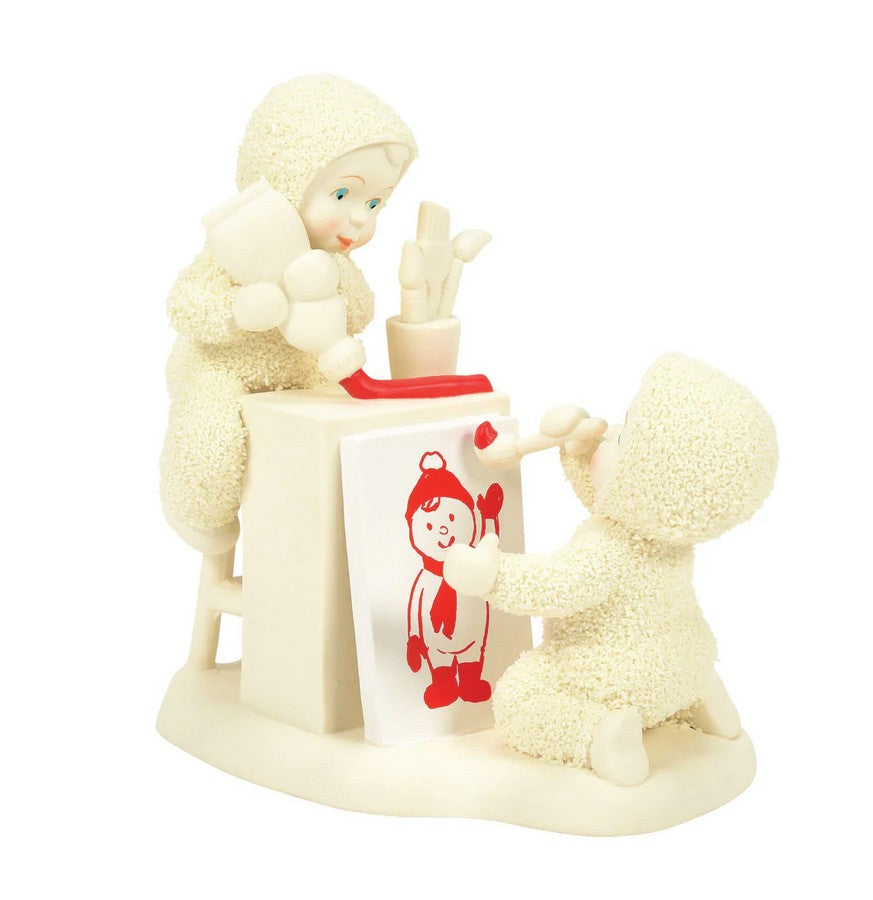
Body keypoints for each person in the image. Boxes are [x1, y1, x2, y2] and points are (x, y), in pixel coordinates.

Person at [444, 354, 778, 784]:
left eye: (622, 439)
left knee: (521, 698)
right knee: (684, 666)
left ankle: (598, 735)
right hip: (685, 660)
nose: (610, 432)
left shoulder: (611, 549)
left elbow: (560, 586)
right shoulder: (671, 535)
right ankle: (701, 692)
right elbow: (613, 498)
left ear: (644, 483)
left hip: (620, 682)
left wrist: (493, 575)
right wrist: (579, 452)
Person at [161, 75, 417, 554]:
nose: (361, 218)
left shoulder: (335, 263)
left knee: (350, 429)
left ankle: (331, 534)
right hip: (225, 367)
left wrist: (332, 293)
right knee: (210, 440)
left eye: (375, 203)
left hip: (302, 372)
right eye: (342, 195)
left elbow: (360, 312)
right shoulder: (235, 250)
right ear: (282, 182)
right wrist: (237, 311)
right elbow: (185, 303)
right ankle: (196, 507)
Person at [404, 452, 502, 709]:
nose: (443, 530)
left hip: (472, 636)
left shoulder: (472, 562)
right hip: (437, 643)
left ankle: (470, 682)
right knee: (440, 658)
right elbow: (415, 606)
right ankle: (443, 685)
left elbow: (490, 547)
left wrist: (489, 517)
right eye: (429, 527)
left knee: (472, 654)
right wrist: (414, 638)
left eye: (451, 518)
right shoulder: (427, 578)